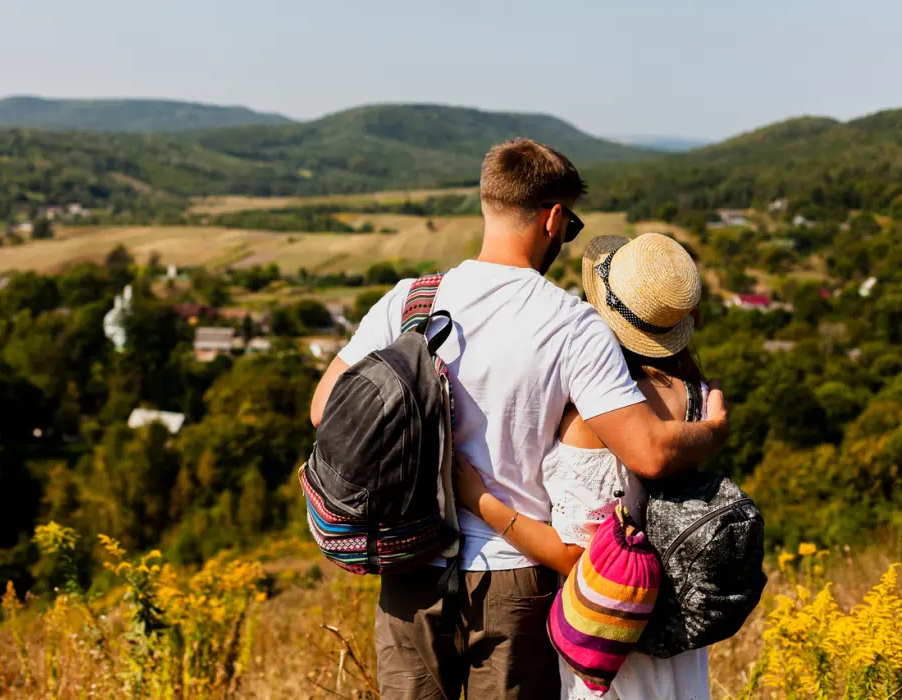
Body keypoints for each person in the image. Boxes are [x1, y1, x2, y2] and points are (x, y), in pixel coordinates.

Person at [309, 139, 730, 700]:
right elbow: (648, 452)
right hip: (516, 577)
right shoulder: (574, 325)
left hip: (410, 561)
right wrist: (714, 429)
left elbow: (324, 411)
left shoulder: (408, 301)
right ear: (553, 217)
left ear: (488, 203)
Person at [454, 232, 713, 699]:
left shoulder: (596, 419)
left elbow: (576, 557)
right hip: (674, 629)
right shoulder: (698, 392)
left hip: (612, 633)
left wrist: (480, 499)